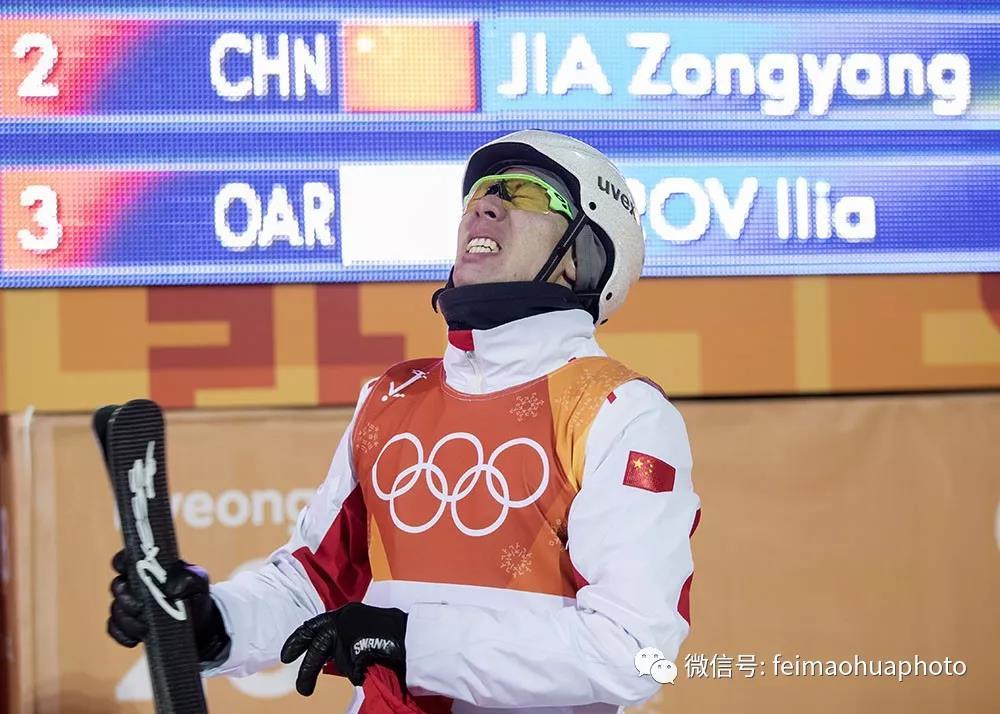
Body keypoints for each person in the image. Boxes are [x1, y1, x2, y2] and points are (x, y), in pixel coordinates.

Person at [107, 130, 701, 713]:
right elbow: (313, 584)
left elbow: (634, 650)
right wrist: (214, 623)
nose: (485, 206)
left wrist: (408, 640)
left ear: (581, 258)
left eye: (525, 193)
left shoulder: (619, 411)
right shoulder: (392, 395)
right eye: (479, 195)